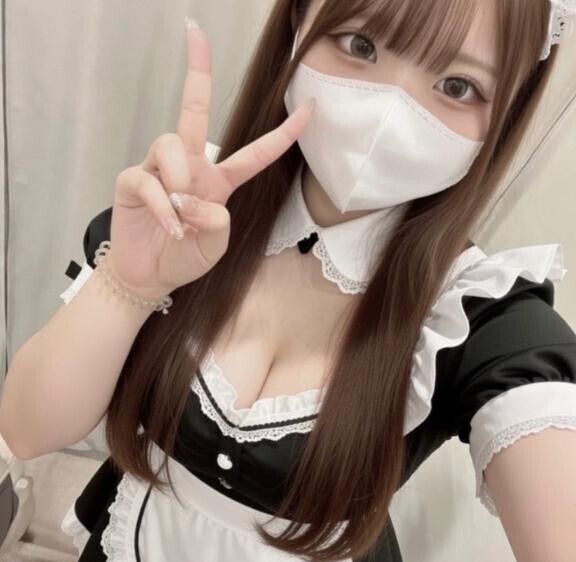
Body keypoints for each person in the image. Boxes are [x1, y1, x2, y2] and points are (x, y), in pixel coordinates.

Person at [1, 0, 576, 560]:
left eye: (457, 86)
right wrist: (131, 283)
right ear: (299, 20)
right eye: (361, 44)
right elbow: (25, 431)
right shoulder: (188, 205)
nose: (389, 112)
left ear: (504, 111)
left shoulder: (472, 315)